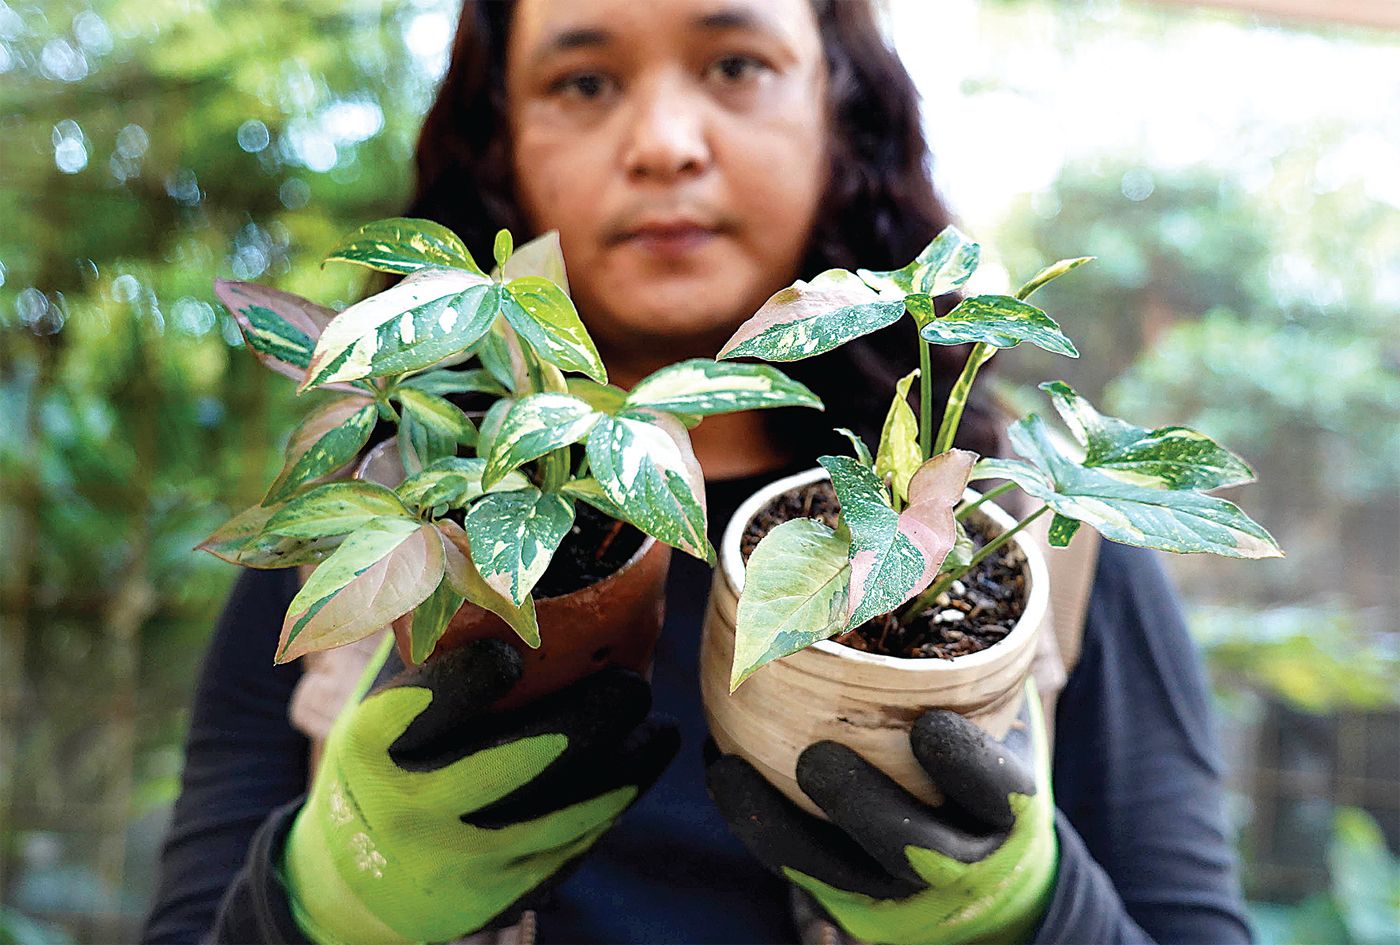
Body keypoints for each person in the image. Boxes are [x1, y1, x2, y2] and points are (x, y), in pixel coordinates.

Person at [142, 1, 1252, 943]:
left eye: (735, 64)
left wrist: (1027, 913)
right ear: (501, 142)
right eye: (581, 82)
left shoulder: (1032, 543)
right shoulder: (373, 515)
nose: (665, 141)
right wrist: (330, 901)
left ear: (838, 109)